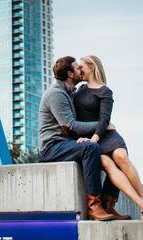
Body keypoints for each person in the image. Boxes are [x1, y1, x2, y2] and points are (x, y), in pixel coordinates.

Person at [73, 55, 143, 220]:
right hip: (89, 138)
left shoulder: (105, 91)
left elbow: (104, 120)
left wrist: (93, 139)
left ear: (92, 67)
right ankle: (138, 203)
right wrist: (87, 139)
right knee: (109, 164)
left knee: (121, 156)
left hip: (106, 136)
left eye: (81, 67)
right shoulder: (79, 90)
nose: (78, 70)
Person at [38, 55, 117, 221]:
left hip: (66, 143)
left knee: (110, 152)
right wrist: (102, 125)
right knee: (91, 147)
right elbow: (71, 125)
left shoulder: (70, 93)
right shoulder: (56, 94)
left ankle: (108, 203)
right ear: (70, 74)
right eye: (77, 68)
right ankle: (94, 206)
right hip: (52, 147)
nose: (80, 70)